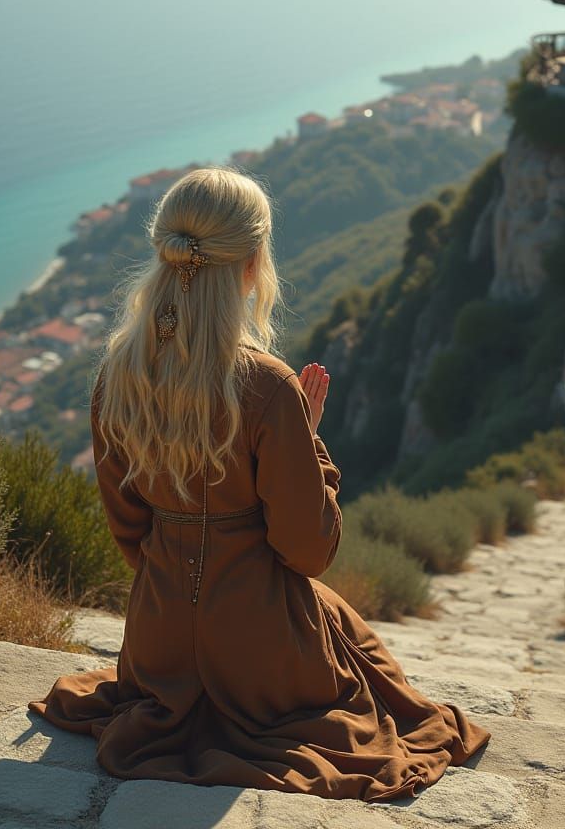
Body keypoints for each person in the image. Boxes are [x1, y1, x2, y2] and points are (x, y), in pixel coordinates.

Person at [28, 166, 491, 802]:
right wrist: (309, 440)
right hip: (263, 655)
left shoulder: (119, 373)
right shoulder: (268, 386)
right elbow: (307, 551)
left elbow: (129, 532)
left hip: (157, 646)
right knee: (349, 644)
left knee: (331, 622)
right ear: (251, 263)